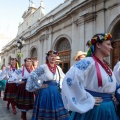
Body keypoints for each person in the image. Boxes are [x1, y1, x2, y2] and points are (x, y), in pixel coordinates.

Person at [62, 33, 119, 120]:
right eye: (108, 44)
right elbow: (70, 80)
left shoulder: (105, 65)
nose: (111, 47)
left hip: (108, 108)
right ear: (98, 45)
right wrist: (87, 98)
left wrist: (113, 93)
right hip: (95, 110)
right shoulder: (88, 62)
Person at [26, 50, 70, 120]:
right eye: (51, 56)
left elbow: (63, 77)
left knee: (58, 108)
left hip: (56, 92)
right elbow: (32, 75)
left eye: (55, 56)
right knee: (46, 109)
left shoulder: (58, 68)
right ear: (48, 57)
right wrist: (39, 85)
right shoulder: (44, 67)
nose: (53, 58)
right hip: (45, 93)